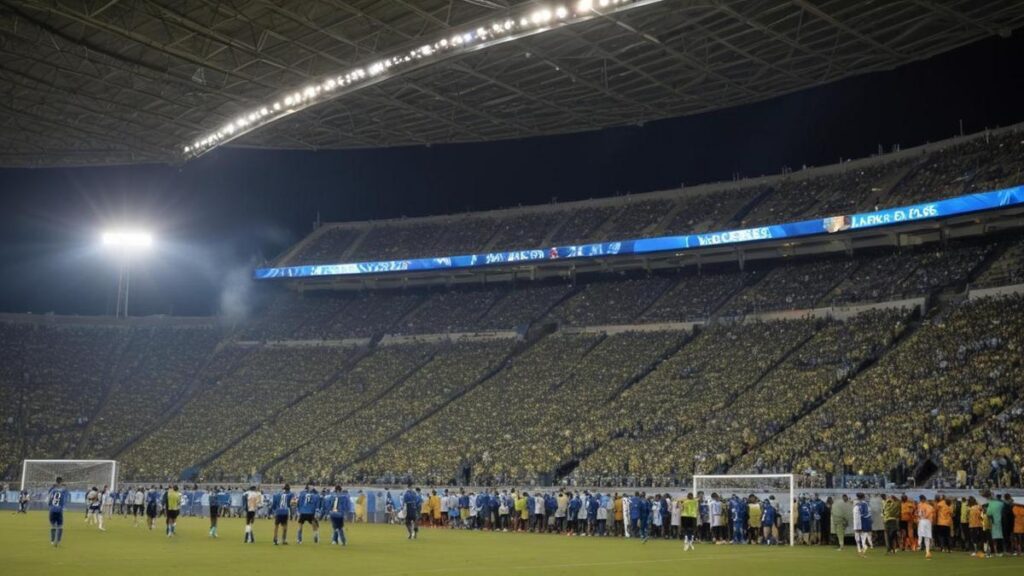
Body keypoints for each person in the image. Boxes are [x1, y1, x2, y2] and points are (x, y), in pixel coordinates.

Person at [47, 477, 70, 547]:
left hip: (52, 510)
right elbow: (67, 494)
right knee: (60, 526)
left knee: (53, 526)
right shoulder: (63, 491)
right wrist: (65, 486)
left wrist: (52, 486)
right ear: (61, 482)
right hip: (59, 510)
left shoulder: (53, 490)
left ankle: (52, 541)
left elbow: (49, 497)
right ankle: (58, 541)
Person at [916, 495, 934, 559]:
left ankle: (919, 544)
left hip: (922, 521)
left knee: (921, 534)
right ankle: (926, 550)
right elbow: (929, 514)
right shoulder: (929, 506)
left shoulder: (919, 505)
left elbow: (918, 514)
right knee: (927, 537)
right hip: (927, 521)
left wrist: (919, 518)